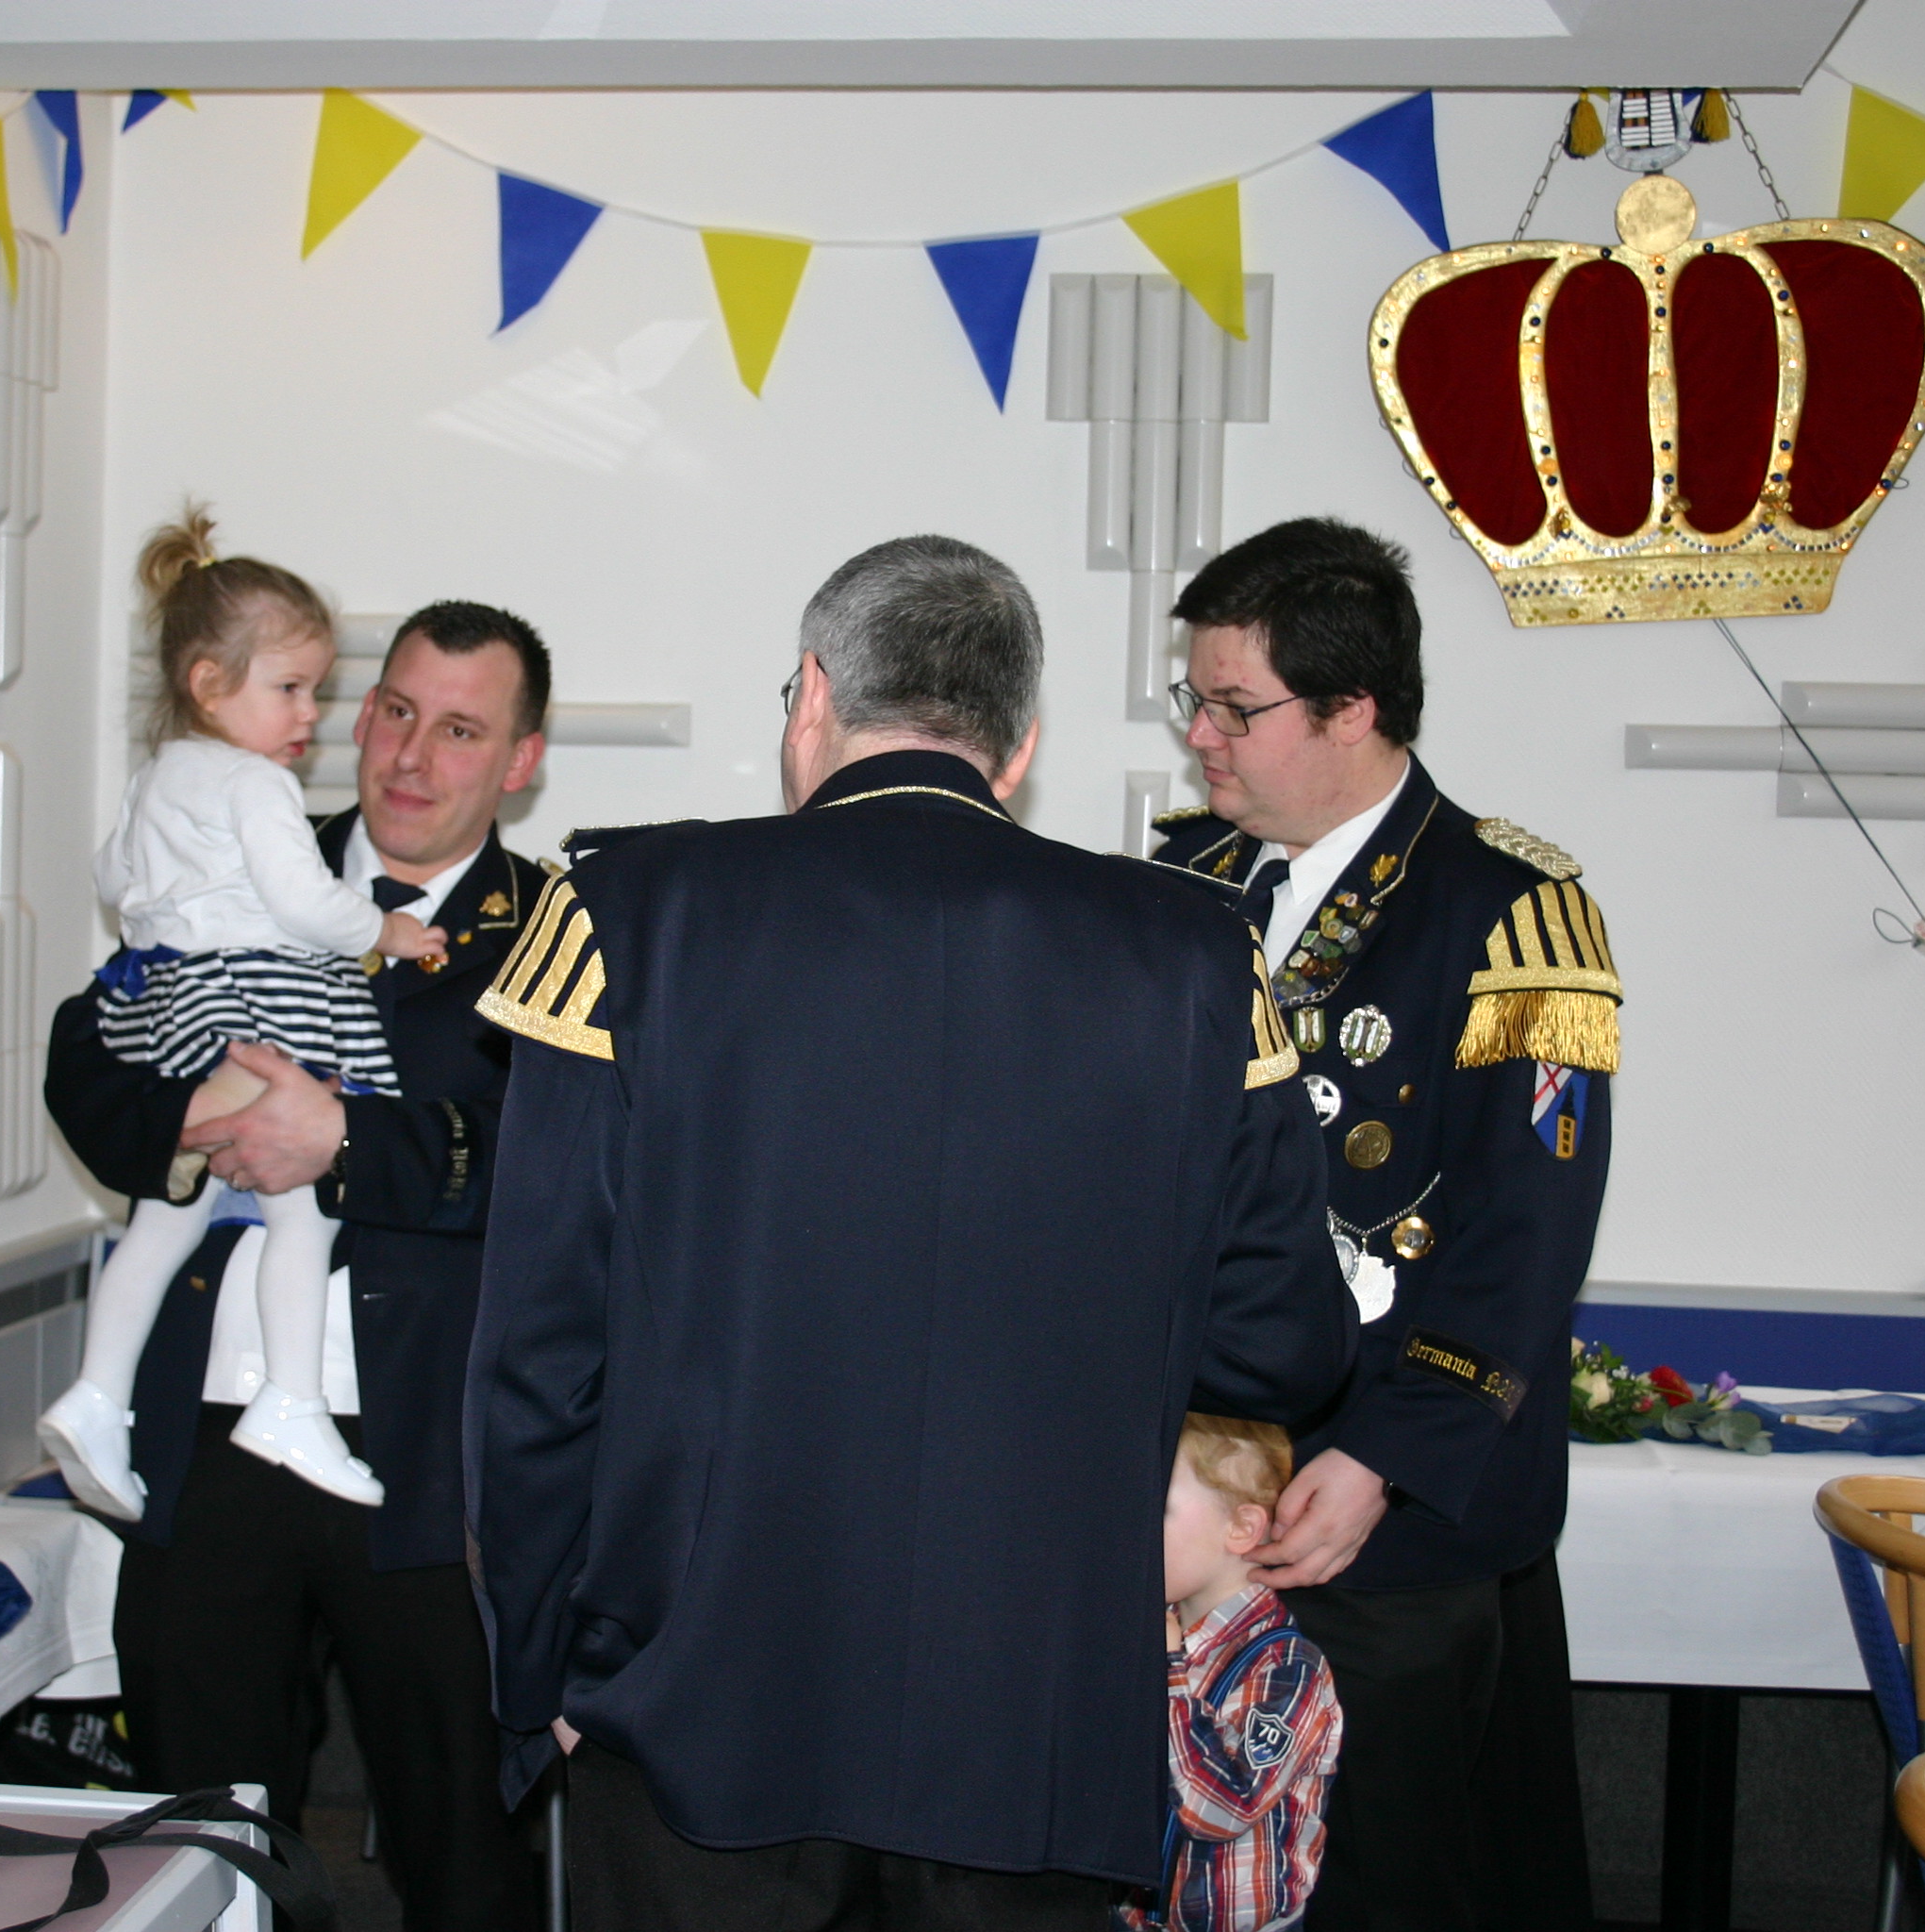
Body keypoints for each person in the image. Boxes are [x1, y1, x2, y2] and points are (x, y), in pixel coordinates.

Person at [466, 535, 1357, 1929]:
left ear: (813, 696)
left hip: (693, 1706)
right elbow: (1283, 1343)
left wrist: (540, 1686)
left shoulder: (623, 915)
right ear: (1020, 746)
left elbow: (535, 1363)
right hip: (1034, 1724)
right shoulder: (1197, 955)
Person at [43, 600, 556, 1931]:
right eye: (396, 712)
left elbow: (563, 1161)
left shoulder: (556, 928)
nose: (411, 756)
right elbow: (89, 1052)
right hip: (210, 1436)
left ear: (521, 761)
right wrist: (192, 1122)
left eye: (461, 731)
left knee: (461, 1849)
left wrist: (342, 1142)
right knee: (197, 1840)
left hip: (427, 1456)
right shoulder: (240, 840)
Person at [1151, 516, 1619, 1930]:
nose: (1201, 738)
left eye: (1235, 707)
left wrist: (1385, 1461)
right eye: (1195, 700)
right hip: (1190, 1508)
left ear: (1351, 708)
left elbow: (1525, 1240)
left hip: (1380, 1517)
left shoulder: (1512, 915)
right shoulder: (1184, 889)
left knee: (1381, 1882)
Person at [41, 509, 445, 1518]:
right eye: (291, 688)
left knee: (167, 1213)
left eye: (316, 688)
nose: (311, 713)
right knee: (306, 1196)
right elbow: (303, 903)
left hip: (176, 1004)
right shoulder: (256, 783)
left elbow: (114, 878)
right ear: (210, 683)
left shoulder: (155, 779)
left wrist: (168, 918)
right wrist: (386, 931)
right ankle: (293, 1400)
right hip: (261, 996)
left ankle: (95, 1394)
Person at [1130, 1414, 1341, 1932]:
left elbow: (1222, 1809)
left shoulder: (1287, 1668)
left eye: (1158, 1508)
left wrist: (1168, 1674)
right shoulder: (1149, 1627)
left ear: (1243, 1529)